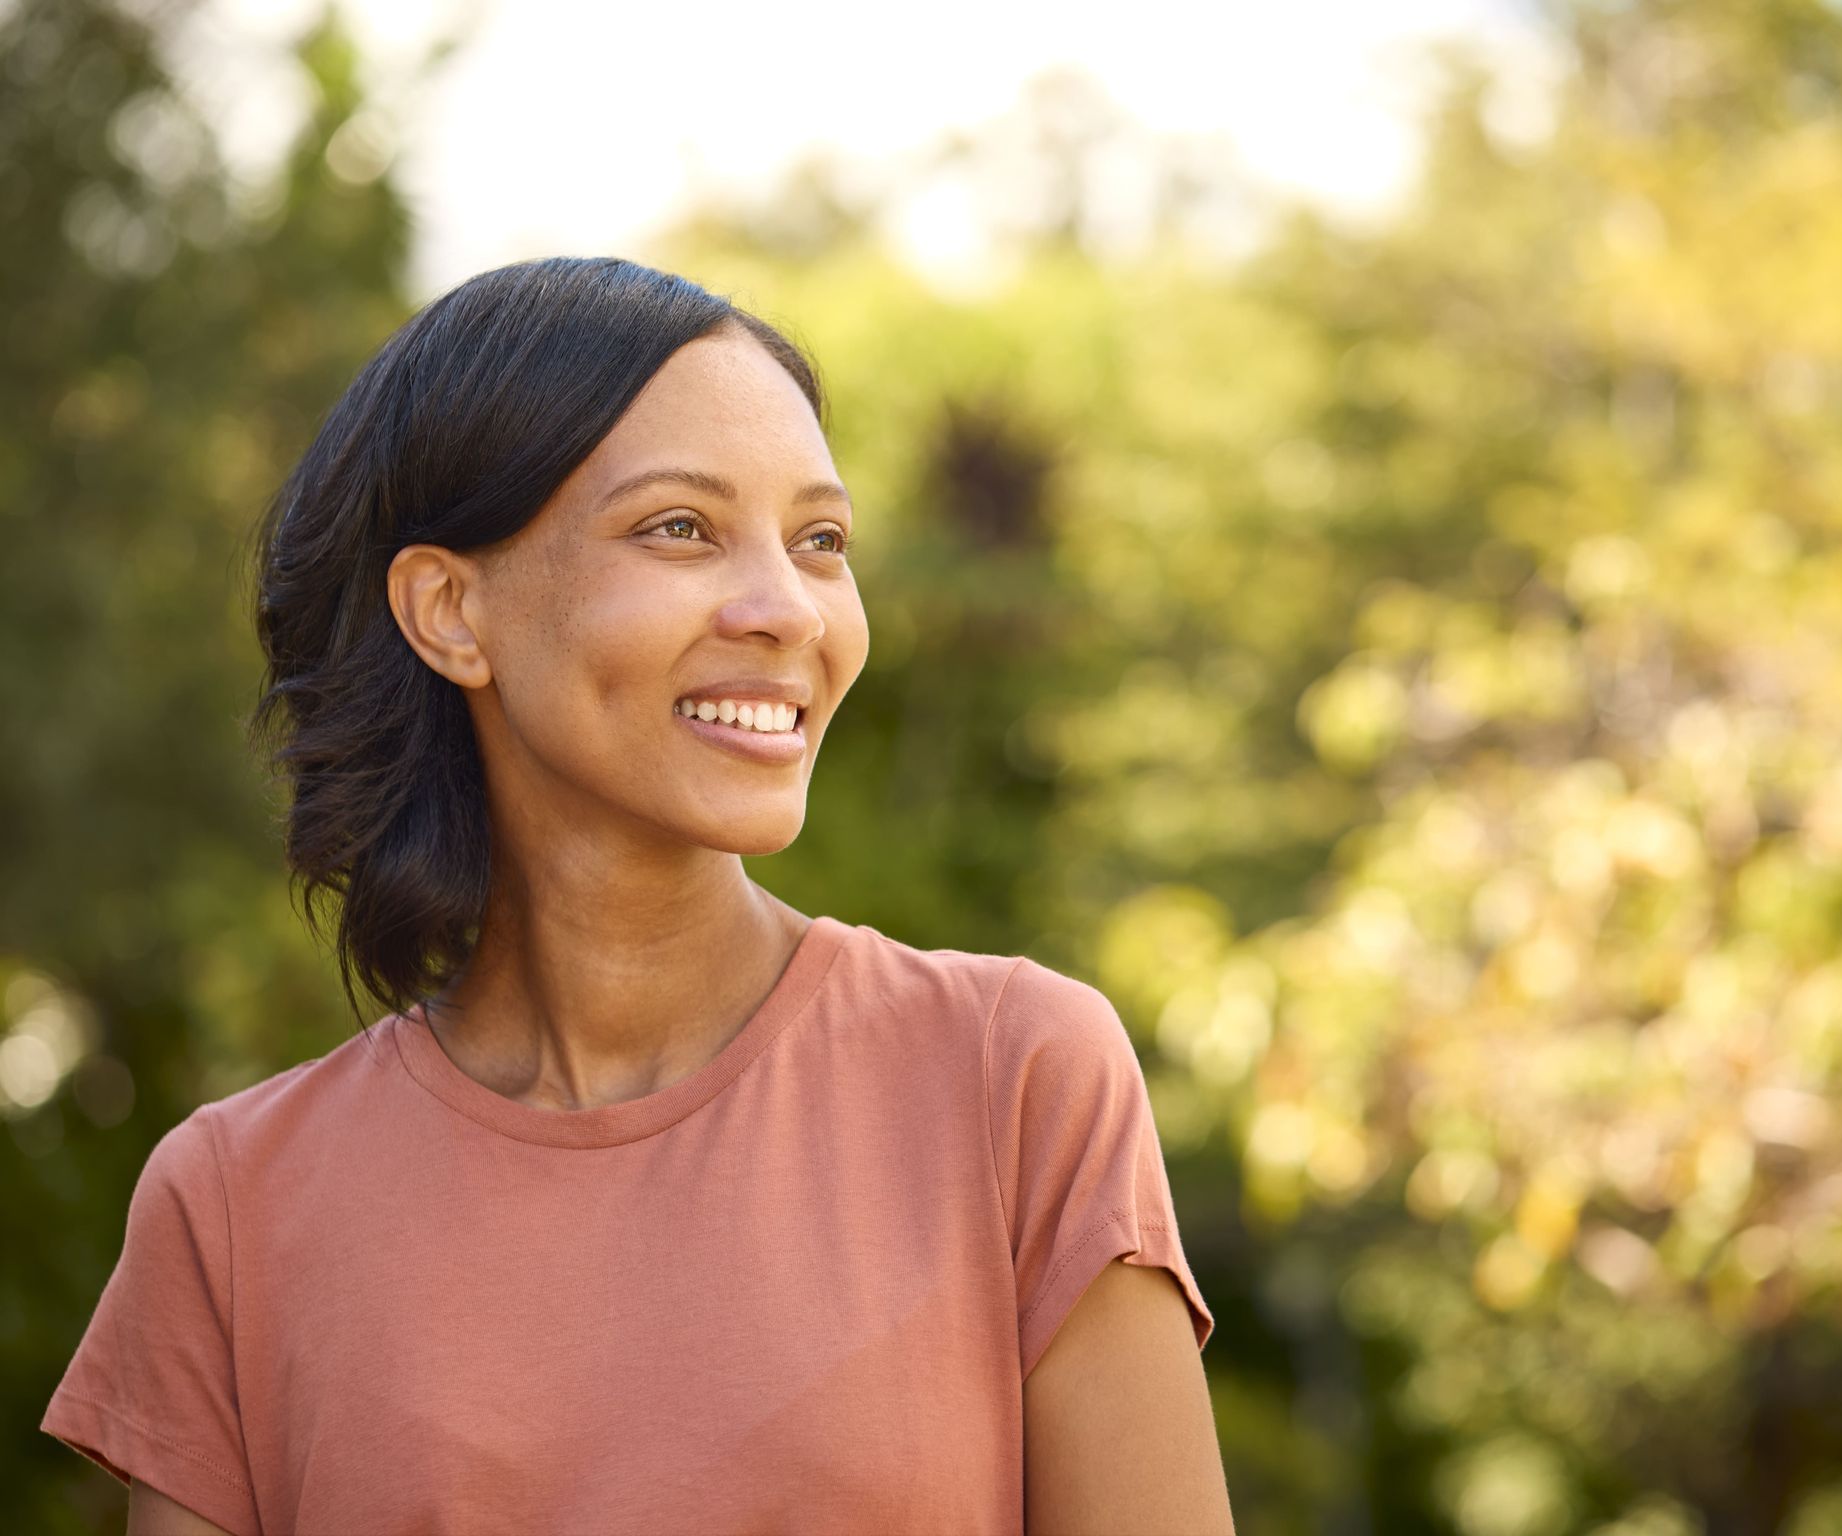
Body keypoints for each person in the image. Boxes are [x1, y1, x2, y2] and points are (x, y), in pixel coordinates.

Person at [40, 256, 1231, 1535]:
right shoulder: (230, 1209)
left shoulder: (1017, 1080)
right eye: (682, 528)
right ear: (450, 610)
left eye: (820, 540)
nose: (788, 610)